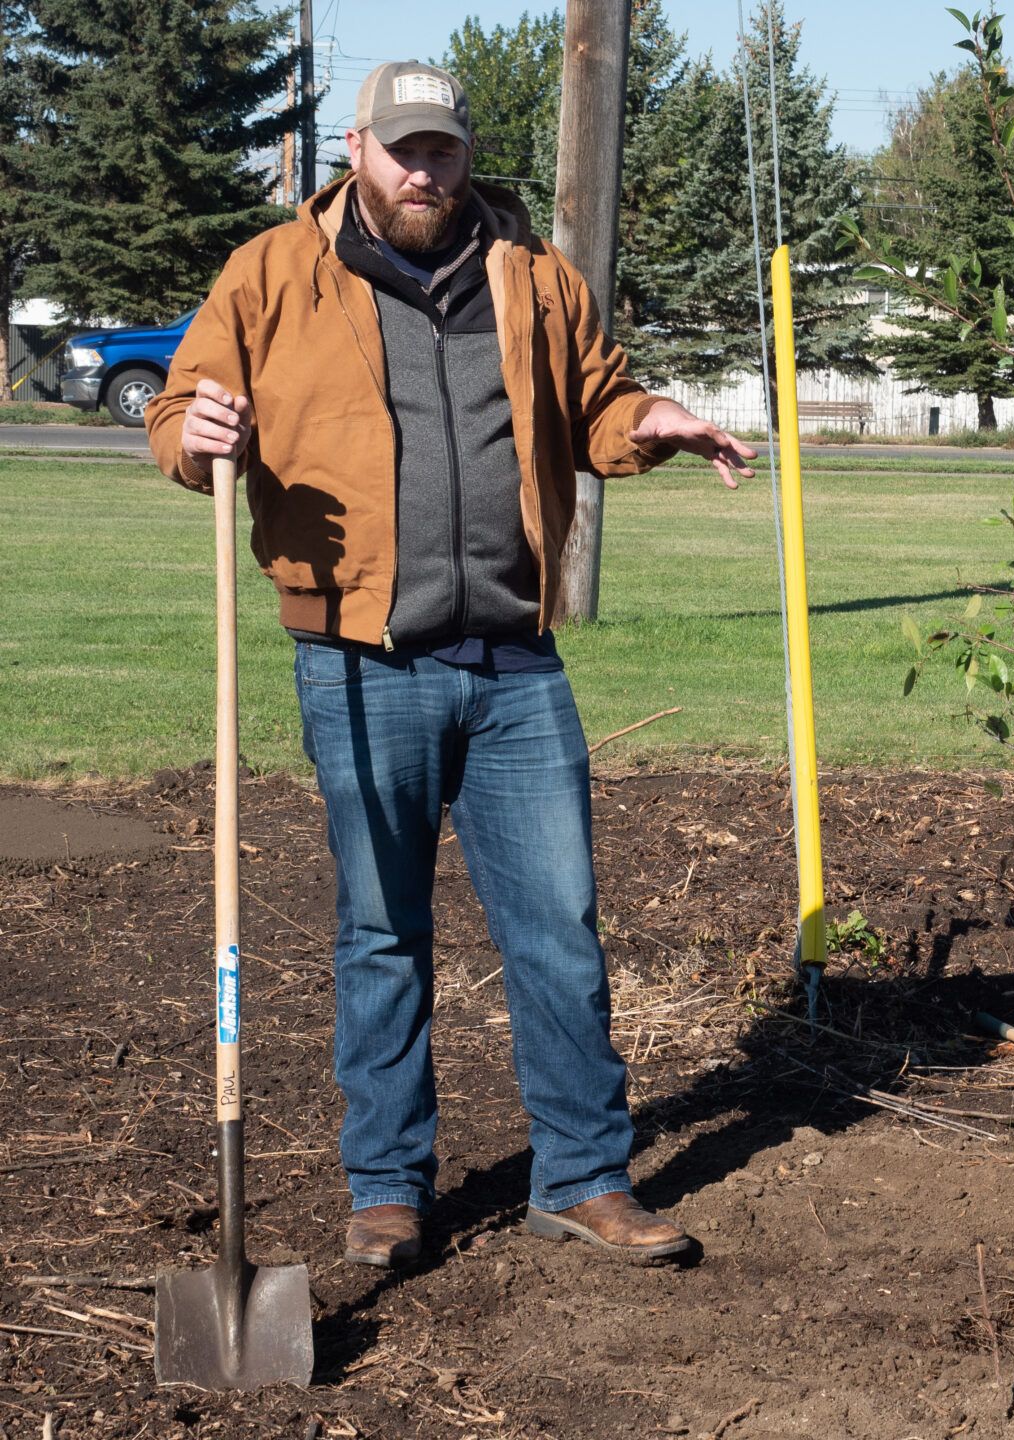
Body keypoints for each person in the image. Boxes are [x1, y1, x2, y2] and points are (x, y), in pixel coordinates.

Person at [147, 61, 757, 1269]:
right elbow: (180, 411)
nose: (423, 170)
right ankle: (388, 1184)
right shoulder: (272, 274)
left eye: (443, 151)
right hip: (360, 660)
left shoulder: (532, 278)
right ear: (358, 151)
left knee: (560, 931)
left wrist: (651, 421)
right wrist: (195, 434)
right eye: (401, 149)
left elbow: (595, 405)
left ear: (467, 157)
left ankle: (581, 1176)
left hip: (516, 664)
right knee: (382, 932)